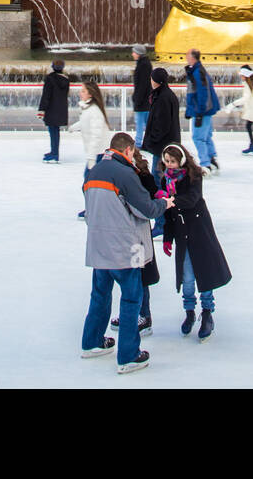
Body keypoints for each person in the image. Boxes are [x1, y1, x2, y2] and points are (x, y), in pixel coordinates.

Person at [80, 131, 173, 374]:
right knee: (132, 299)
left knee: (99, 295)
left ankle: (91, 342)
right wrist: (165, 203)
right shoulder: (126, 175)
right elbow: (147, 210)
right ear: (128, 150)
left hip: (99, 247)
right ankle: (129, 355)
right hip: (127, 249)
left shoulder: (94, 172)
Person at [160, 142, 231, 340]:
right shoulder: (165, 180)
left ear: (181, 160)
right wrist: (167, 237)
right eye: (166, 161)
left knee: (204, 272)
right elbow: (167, 214)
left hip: (199, 230)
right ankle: (189, 312)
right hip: (181, 232)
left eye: (173, 161)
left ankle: (207, 312)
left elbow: (192, 199)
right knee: (187, 276)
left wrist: (170, 200)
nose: (170, 165)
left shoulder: (194, 176)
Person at [110, 146, 161, 335]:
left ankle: (144, 315)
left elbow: (147, 203)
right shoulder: (123, 175)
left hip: (138, 236)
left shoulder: (140, 177)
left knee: (140, 277)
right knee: (129, 277)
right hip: (126, 235)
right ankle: (131, 313)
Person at [71, 78, 111, 218]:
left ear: (90, 94)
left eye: (83, 91)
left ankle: (95, 210)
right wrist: (74, 127)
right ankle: (93, 209)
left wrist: (91, 157)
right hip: (96, 153)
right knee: (90, 182)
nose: (80, 93)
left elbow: (96, 135)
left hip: (99, 154)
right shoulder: (88, 109)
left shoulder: (94, 111)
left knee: (90, 183)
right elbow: (85, 122)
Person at [141, 67, 181, 180]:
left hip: (163, 146)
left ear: (156, 81)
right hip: (166, 145)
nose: (150, 81)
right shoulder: (163, 95)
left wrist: (152, 139)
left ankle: (161, 197)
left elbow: (162, 124)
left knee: (158, 177)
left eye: (152, 79)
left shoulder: (163, 98)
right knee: (163, 176)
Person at [185, 48, 220, 174]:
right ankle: (212, 159)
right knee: (206, 136)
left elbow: (202, 93)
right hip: (204, 109)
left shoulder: (197, 72)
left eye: (187, 55)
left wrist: (199, 111)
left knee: (198, 137)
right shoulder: (196, 70)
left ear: (193, 57)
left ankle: (205, 164)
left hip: (202, 110)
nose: (185, 57)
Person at [37, 59, 70, 163]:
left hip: (51, 109)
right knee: (56, 132)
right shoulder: (66, 79)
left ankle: (54, 154)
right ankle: (54, 152)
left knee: (53, 132)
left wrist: (41, 110)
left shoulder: (50, 79)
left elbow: (46, 95)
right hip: (61, 109)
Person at [131, 44, 153, 148]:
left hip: (142, 101)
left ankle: (138, 144)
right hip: (146, 100)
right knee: (147, 123)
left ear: (138, 53)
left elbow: (142, 85)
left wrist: (137, 99)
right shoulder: (144, 63)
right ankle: (148, 142)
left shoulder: (143, 65)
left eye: (134, 52)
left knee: (140, 124)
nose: (132, 54)